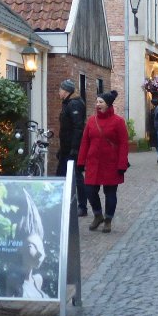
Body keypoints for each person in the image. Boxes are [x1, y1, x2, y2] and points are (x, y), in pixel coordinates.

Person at [77, 90, 129, 233]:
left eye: (101, 102)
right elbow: (85, 142)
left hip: (111, 163)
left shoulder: (118, 121)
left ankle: (108, 220)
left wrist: (122, 164)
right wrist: (81, 161)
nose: (97, 104)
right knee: (90, 190)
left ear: (108, 105)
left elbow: (124, 144)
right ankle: (98, 215)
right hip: (93, 162)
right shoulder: (91, 121)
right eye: (97, 102)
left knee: (110, 192)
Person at [56, 79, 88, 217]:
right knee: (60, 175)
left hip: (72, 149)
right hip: (66, 149)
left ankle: (83, 206)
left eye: (61, 89)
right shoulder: (67, 104)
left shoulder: (74, 104)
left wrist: (74, 149)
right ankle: (60, 203)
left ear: (67, 91)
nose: (59, 91)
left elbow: (78, 128)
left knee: (77, 176)